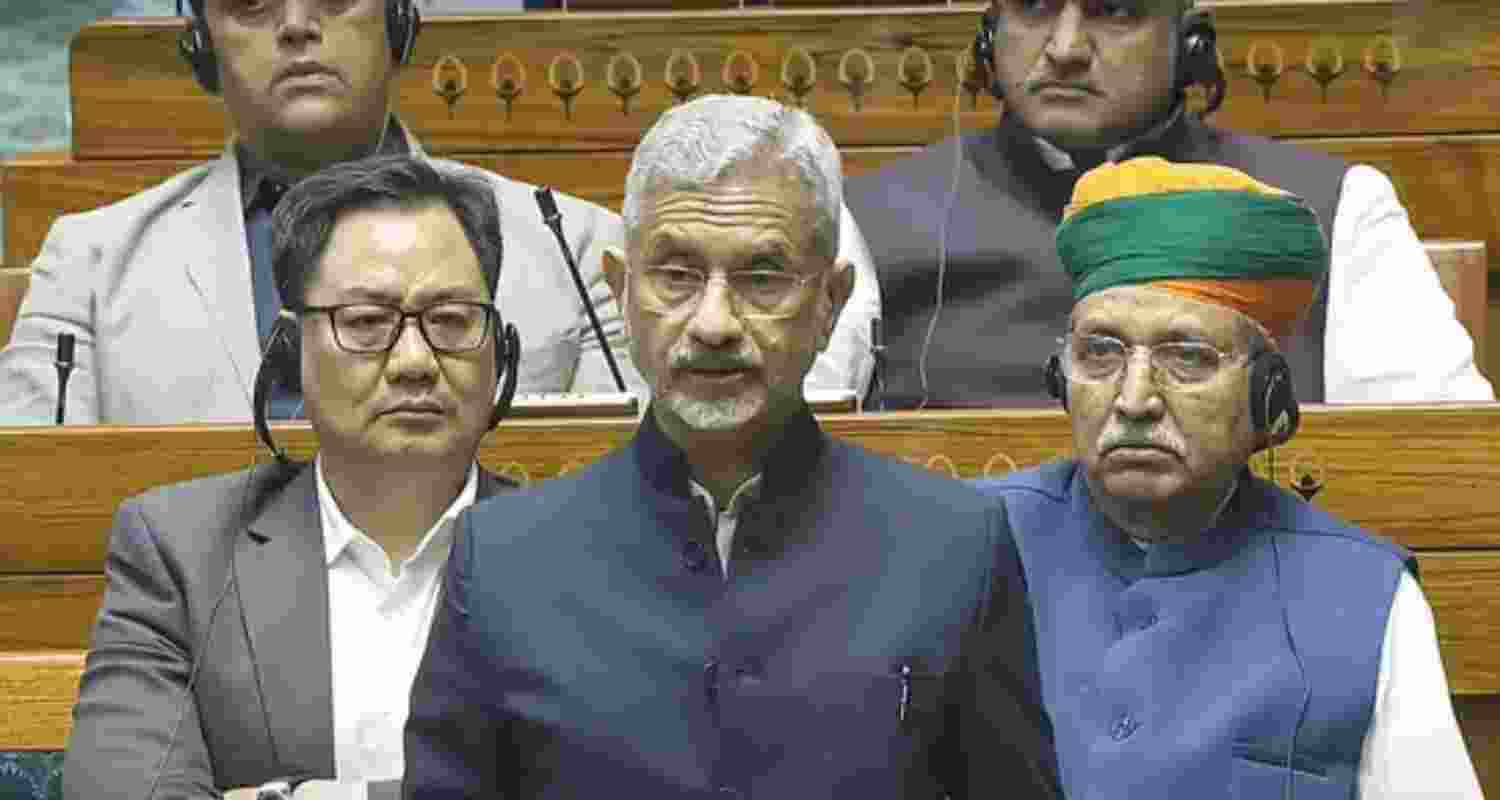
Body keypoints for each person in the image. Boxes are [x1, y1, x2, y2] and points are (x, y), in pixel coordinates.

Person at [402, 95, 1061, 799]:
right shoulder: (503, 563)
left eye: (763, 277)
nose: (713, 323)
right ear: (622, 291)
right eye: (676, 276)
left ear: (830, 303)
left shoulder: (955, 548)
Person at [0, 0, 878, 423]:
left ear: (399, 23)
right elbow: (34, 515)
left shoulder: (567, 242)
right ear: (200, 44)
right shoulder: (91, 257)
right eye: (253, 2)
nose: (298, 25)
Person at [975, 157, 1482, 798]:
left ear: (1267, 398)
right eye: (1100, 352)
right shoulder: (964, 548)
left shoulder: (1364, 597)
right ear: (1060, 378)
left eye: (1187, 357)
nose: (1134, 398)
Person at [62, 156, 523, 800]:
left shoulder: (586, 552)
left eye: (451, 320)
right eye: (366, 323)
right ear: (288, 354)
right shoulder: (181, 554)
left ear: (499, 347)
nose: (415, 361)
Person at [845, 0, 1491, 409]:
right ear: (990, 36)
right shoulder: (864, 221)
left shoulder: (1336, 207)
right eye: (1035, 7)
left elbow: (1431, 468)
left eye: (1115, 12)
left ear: (1190, 43)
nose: (1065, 47)